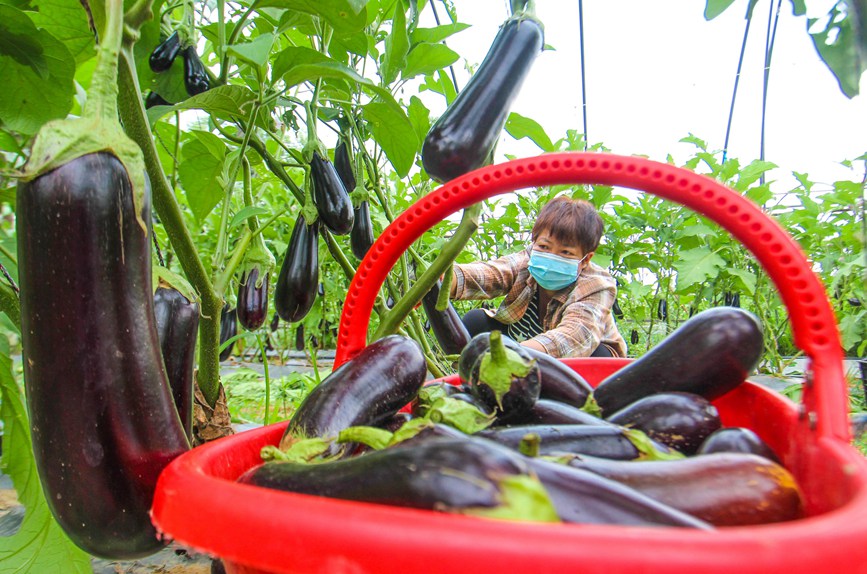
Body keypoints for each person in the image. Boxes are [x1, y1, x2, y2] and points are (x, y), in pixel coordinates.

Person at [449, 196, 626, 358]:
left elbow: (574, 337)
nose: (551, 256)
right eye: (544, 246)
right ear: (534, 242)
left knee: (598, 355)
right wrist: (446, 278)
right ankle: (471, 379)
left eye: (565, 252)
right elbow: (491, 274)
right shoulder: (527, 260)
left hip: (573, 363)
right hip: (526, 343)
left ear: (586, 259)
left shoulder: (597, 285)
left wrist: (511, 354)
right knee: (476, 322)